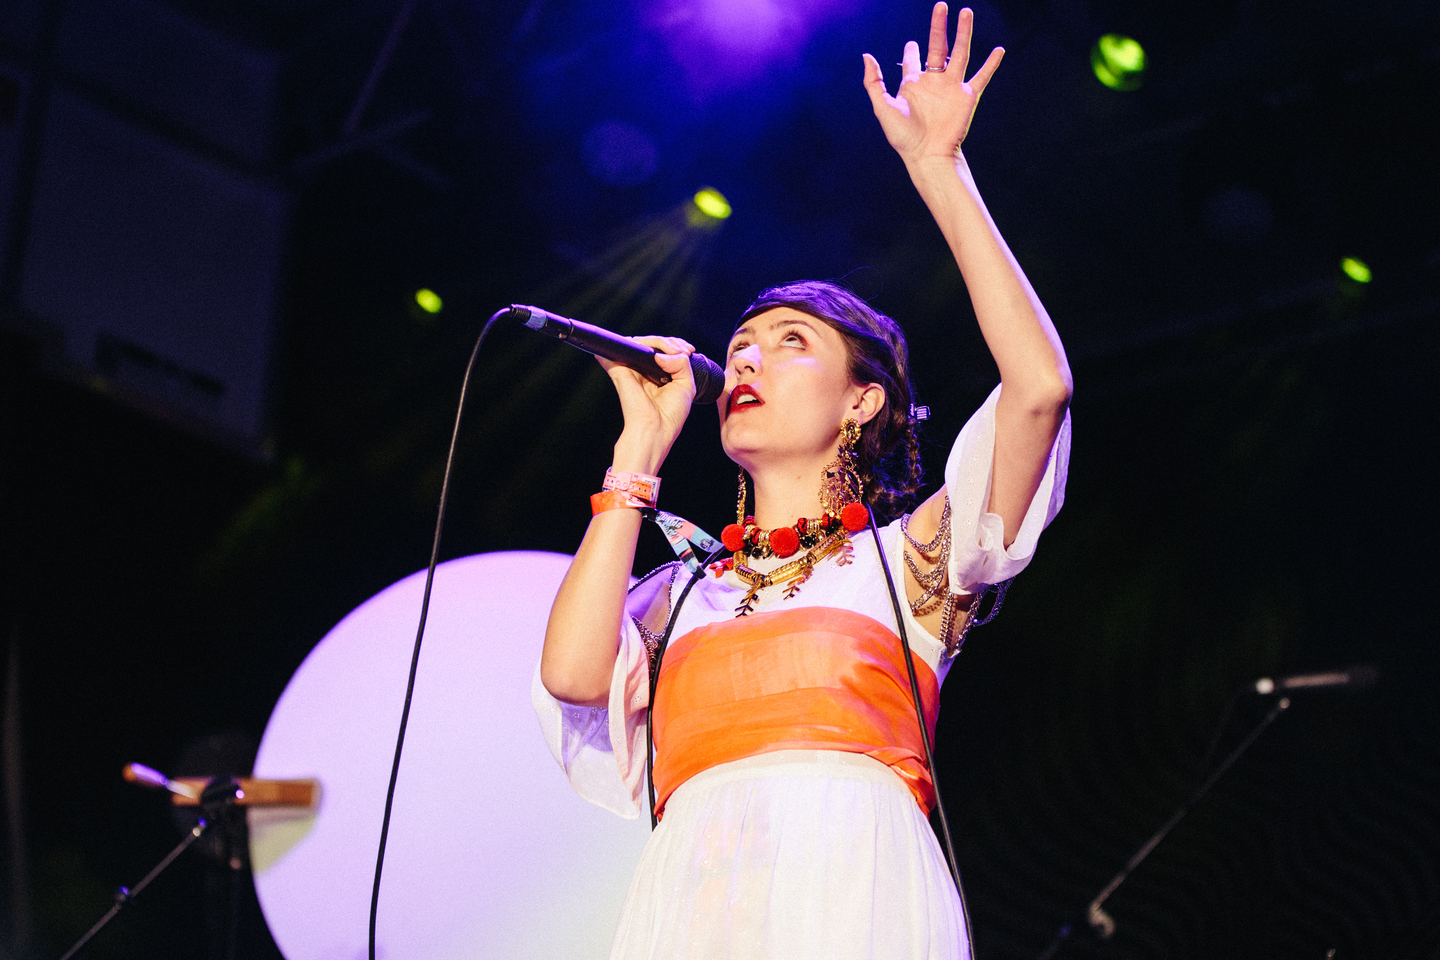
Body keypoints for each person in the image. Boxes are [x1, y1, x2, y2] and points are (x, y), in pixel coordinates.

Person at [533, 4, 1072, 957]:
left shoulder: (910, 565)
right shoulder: (683, 593)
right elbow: (574, 675)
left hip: (854, 896)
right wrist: (637, 456)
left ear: (861, 403)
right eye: (740, 346)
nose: (746, 362)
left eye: (791, 345)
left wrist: (939, 172)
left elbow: (1038, 389)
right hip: (695, 902)